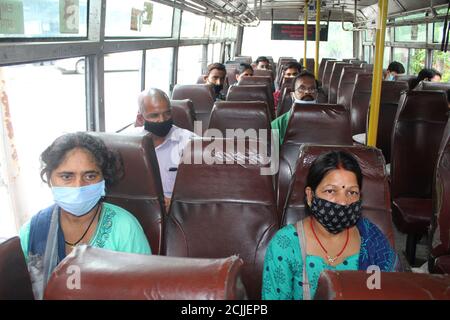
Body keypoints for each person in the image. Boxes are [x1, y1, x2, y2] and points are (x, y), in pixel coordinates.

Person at [19, 132, 151, 299]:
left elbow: (143, 290)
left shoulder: (125, 227)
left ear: (104, 179)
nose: (78, 186)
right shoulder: (32, 231)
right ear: (50, 179)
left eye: (90, 176)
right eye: (67, 176)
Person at [262, 151, 400, 300]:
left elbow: (390, 291)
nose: (342, 201)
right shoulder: (285, 244)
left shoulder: (371, 239)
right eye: (330, 191)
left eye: (352, 192)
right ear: (310, 196)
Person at [132, 88, 196, 209]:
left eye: (167, 113)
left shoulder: (190, 143)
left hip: (177, 210)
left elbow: (204, 186)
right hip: (139, 208)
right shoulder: (129, 144)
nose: (162, 120)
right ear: (141, 118)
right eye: (154, 115)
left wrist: (177, 200)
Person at [271, 70, 318, 146]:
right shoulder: (277, 125)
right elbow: (272, 156)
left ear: (317, 94)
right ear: (292, 95)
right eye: (301, 89)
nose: (307, 92)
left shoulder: (330, 122)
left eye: (312, 89)